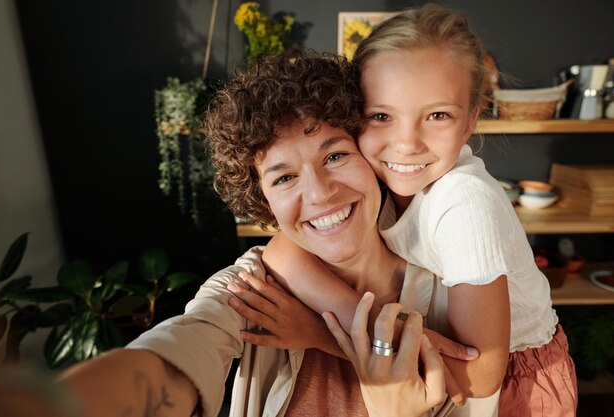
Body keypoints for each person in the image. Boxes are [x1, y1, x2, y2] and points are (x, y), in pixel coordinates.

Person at [44, 49, 471, 417]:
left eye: (336, 155)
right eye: (283, 179)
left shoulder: (453, 291)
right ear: (263, 202)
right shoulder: (255, 292)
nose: (320, 194)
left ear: (372, 156)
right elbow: (173, 356)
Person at [231, 4, 577, 417]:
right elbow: (283, 251)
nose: (406, 143)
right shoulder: (382, 176)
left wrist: (323, 334)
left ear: (470, 121)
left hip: (518, 382)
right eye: (381, 116)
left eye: (437, 115)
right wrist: (363, 322)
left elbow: (480, 375)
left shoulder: (465, 206)